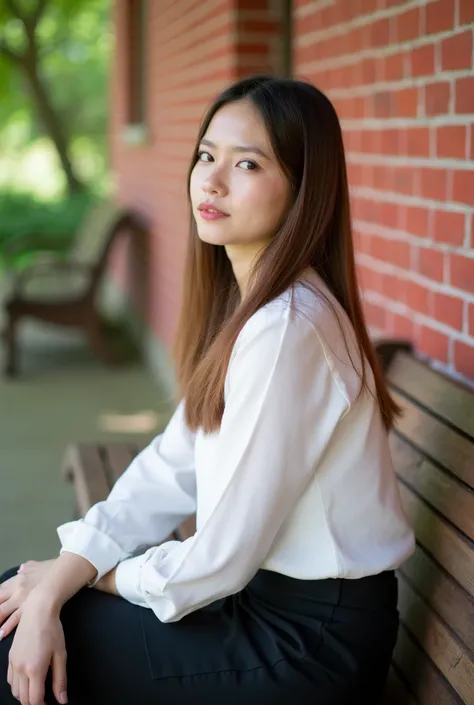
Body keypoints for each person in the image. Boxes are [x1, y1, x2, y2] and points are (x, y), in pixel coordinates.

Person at [0, 75, 415, 705]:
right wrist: (66, 569)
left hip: (304, 645)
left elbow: (217, 560)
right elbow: (172, 465)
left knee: (20, 637)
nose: (212, 180)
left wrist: (82, 581)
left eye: (247, 162)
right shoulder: (257, 311)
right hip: (265, 607)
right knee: (15, 599)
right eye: (207, 154)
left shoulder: (288, 331)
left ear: (304, 190)